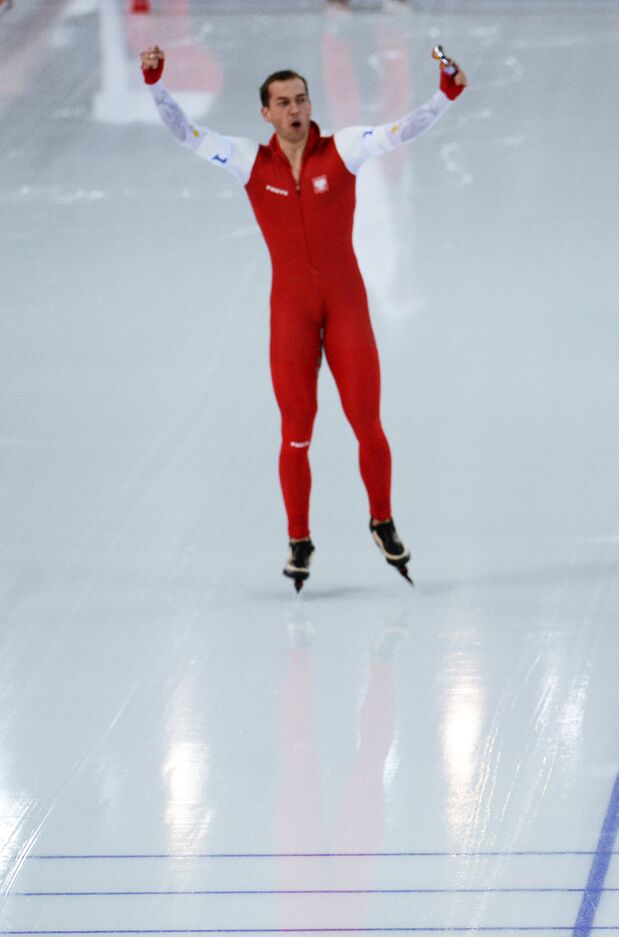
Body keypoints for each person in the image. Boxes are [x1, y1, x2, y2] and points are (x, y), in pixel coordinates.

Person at [138, 44, 468, 591]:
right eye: (283, 102)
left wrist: (445, 94)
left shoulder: (344, 149)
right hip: (290, 312)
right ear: (265, 113)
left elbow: (403, 130)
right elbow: (185, 134)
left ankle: (381, 520)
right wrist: (154, 86)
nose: (296, 109)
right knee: (297, 433)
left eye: (302, 99)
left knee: (368, 423)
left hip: (346, 307)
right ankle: (299, 537)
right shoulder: (249, 160)